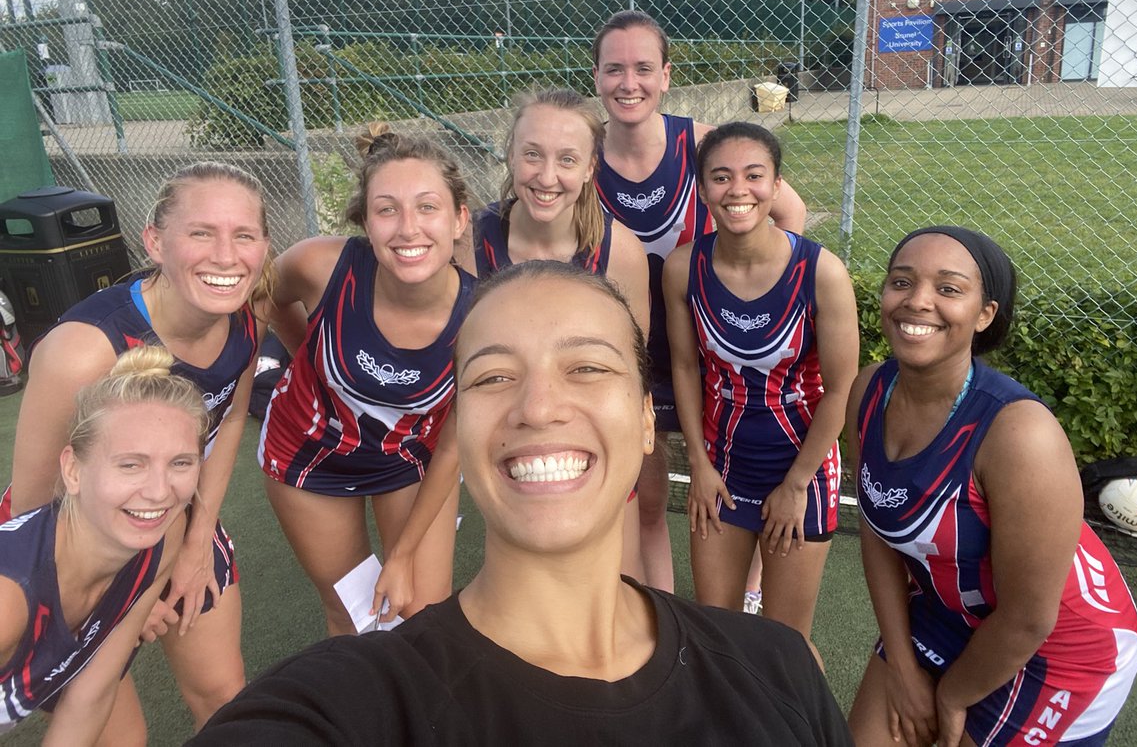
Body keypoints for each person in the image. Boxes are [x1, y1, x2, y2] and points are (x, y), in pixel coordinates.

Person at [191, 261, 854, 745]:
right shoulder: (353, 704)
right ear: (458, 427)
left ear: (648, 421)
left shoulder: (778, 668)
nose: (537, 407)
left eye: (588, 367)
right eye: (493, 376)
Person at [846, 227, 1137, 747]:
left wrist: (951, 695)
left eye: (949, 289)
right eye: (901, 281)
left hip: (1059, 647)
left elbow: (1030, 619)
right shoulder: (869, 390)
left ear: (985, 314)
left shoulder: (1020, 434)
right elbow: (876, 532)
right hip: (947, 612)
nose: (918, 301)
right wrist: (904, 668)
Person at [6, 162, 270, 737]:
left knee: (224, 696)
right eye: (201, 232)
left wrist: (197, 543)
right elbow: (31, 512)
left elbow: (222, 433)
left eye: (243, 235)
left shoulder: (243, 323)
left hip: (173, 515)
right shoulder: (83, 351)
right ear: (154, 242)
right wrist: (126, 592)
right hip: (72, 551)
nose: (226, 255)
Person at [591, 10, 808, 592]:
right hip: (630, 356)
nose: (628, 83)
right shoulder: (581, 160)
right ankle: (657, 608)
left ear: (666, 75)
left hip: (712, 352)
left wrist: (761, 289)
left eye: (643, 68)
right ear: (596, 78)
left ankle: (755, 593)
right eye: (614, 69)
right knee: (649, 493)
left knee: (744, 483)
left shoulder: (704, 145)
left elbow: (789, 214)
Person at [260, 124, 472, 636]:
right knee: (353, 617)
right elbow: (264, 297)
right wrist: (302, 355)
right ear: (364, 222)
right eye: (386, 209)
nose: (408, 228)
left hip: (410, 457)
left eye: (427, 207)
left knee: (422, 616)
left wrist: (400, 557)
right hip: (307, 451)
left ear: (459, 218)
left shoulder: (482, 314)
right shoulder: (321, 264)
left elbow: (451, 450)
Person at [662, 122, 858, 648]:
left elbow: (841, 389)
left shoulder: (822, 272)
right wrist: (698, 466)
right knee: (717, 633)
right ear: (703, 189)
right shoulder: (685, 268)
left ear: (775, 185)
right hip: (721, 470)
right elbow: (685, 367)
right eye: (721, 177)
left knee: (786, 643)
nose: (738, 191)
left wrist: (797, 486)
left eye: (754, 175)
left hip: (801, 474)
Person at [466, 87, 650, 578]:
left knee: (616, 588)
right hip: (511, 446)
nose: (547, 177)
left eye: (567, 159)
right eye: (532, 155)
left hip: (589, 445)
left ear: (591, 169)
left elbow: (631, 377)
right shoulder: (470, 242)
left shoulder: (620, 255)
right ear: (509, 155)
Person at [1, 347, 207, 744]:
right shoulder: (7, 602)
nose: (160, 492)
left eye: (181, 463)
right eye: (131, 464)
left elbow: (90, 695)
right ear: (73, 470)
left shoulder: (164, 537)